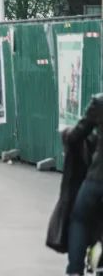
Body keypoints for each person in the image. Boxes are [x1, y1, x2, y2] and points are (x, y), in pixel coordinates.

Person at [51, 95, 103, 275]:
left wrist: (66, 134)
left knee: (79, 219)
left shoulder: (100, 102)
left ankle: (75, 270)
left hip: (98, 180)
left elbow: (76, 135)